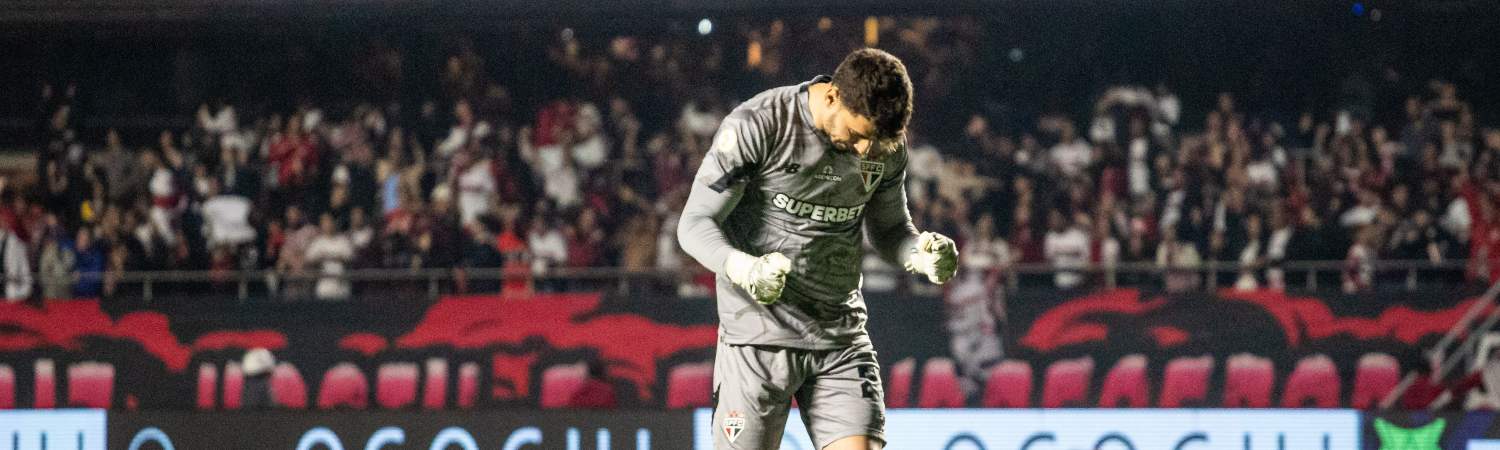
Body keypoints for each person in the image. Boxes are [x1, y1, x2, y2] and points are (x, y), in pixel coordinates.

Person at [678, 48, 957, 450]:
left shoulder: (883, 144)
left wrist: (919, 254)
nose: (867, 151)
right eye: (860, 135)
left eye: (877, 141)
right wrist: (743, 269)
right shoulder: (760, 124)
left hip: (839, 336)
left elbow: (891, 229)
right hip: (757, 337)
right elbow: (694, 223)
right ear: (831, 97)